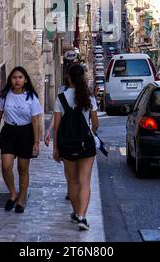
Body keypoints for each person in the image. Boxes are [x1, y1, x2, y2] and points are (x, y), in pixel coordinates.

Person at [0, 66, 42, 213]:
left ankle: (21, 198)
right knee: (6, 166)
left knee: (22, 169)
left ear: (25, 80)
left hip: (26, 132)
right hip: (9, 131)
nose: (17, 80)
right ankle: (12, 193)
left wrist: (36, 142)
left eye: (20, 77)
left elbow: (36, 121)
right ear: (10, 80)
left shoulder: (31, 97)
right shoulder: (5, 95)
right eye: (14, 77)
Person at [53, 63, 99, 231]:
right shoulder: (89, 98)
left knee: (72, 181)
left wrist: (55, 149)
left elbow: (57, 126)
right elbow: (95, 124)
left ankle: (75, 212)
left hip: (67, 144)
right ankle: (82, 216)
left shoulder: (61, 97)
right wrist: (92, 131)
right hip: (86, 144)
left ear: (69, 78)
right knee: (84, 180)